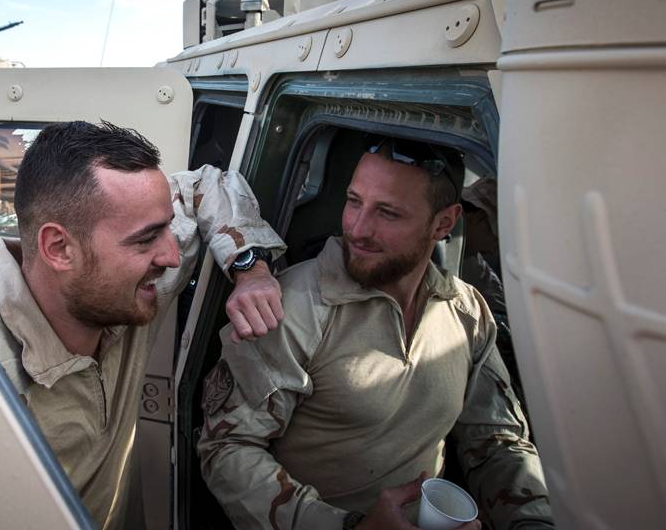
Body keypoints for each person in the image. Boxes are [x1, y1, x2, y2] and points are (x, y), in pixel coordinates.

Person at [197, 137, 554, 530]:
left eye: (388, 213)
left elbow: (498, 442)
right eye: (354, 201)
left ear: (443, 224)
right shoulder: (294, 307)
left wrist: (532, 522)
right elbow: (226, 449)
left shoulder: (467, 312)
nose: (358, 229)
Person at [0, 120, 287, 529]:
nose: (172, 256)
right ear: (59, 248)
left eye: (167, 227)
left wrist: (249, 268)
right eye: (146, 239)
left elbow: (205, 186)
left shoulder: (124, 297)